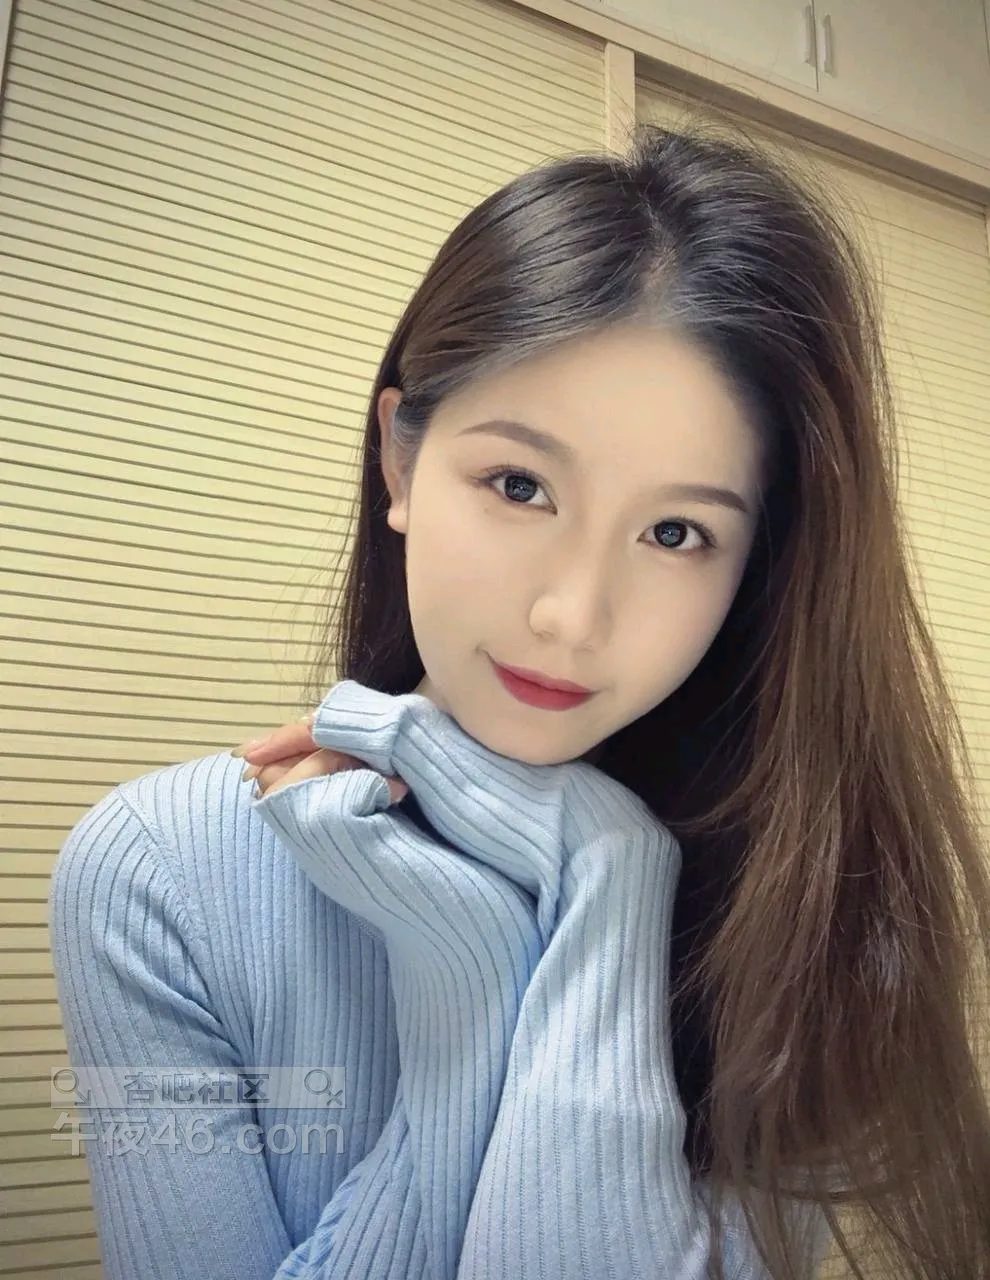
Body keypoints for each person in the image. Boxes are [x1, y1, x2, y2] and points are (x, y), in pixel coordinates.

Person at [48, 119, 990, 1280]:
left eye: (676, 532)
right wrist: (481, 967)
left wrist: (609, 875)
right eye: (519, 483)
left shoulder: (812, 921)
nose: (573, 615)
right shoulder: (153, 873)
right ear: (400, 460)